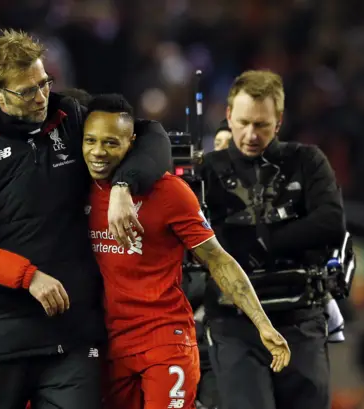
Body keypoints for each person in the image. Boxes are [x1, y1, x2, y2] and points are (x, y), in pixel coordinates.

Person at [0, 30, 172, 409]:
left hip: (73, 338)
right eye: (27, 91)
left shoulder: (71, 118)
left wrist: (123, 186)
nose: (42, 97)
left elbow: (151, 136)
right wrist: (28, 276)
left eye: (44, 83)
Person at [82, 94, 290, 409]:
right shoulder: (75, 188)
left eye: (111, 143)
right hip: (108, 346)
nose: (98, 152)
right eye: (90, 141)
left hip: (164, 340)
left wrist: (262, 323)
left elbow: (217, 259)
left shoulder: (170, 193)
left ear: (132, 143)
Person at [200, 70, 348, 409]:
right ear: (228, 117)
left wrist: (261, 240)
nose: (251, 134)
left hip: (299, 316)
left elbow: (330, 223)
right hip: (234, 323)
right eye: (243, 122)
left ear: (278, 122)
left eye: (262, 125)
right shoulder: (206, 171)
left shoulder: (308, 161)